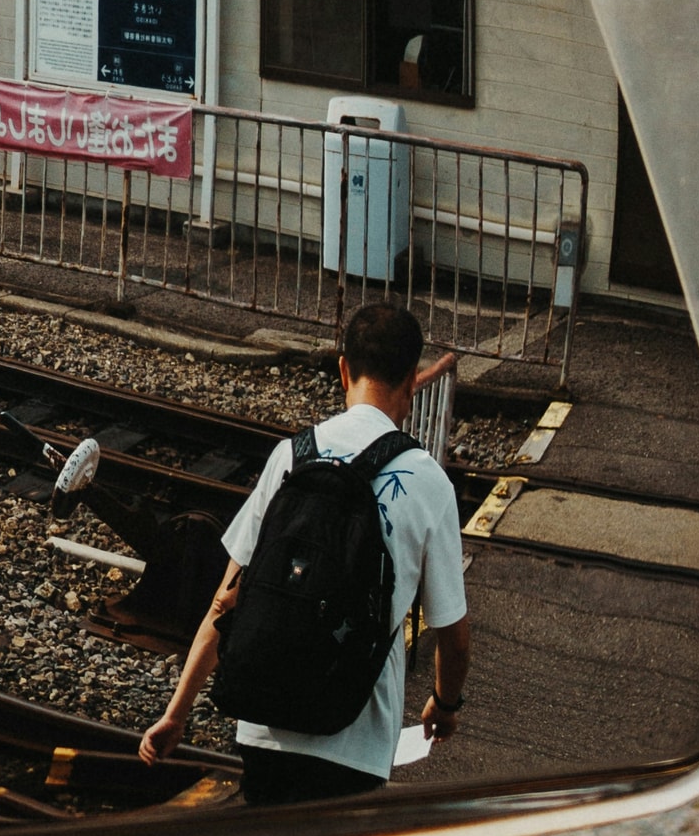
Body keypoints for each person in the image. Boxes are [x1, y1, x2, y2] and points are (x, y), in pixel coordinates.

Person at [137, 297, 471, 803]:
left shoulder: (292, 455)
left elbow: (227, 599)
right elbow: (454, 635)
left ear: (343, 370)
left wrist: (175, 714)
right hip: (355, 740)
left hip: (263, 721)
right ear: (412, 380)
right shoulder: (428, 483)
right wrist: (445, 705)